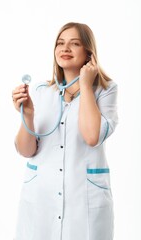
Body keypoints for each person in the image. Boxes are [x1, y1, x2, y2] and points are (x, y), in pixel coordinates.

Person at [12, 22, 118, 240]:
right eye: (60, 43)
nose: (65, 48)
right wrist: (28, 116)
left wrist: (86, 86)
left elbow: (91, 136)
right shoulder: (42, 91)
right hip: (41, 198)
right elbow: (26, 150)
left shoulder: (105, 90)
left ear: (89, 52)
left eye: (74, 43)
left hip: (84, 200)